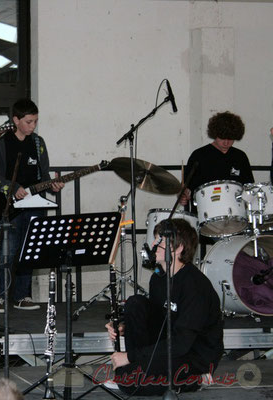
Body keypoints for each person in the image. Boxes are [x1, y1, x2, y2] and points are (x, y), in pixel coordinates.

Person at [104, 218, 223, 396]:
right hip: (170, 345)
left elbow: (182, 343)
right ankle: (134, 369)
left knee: (127, 380)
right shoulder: (158, 279)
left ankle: (196, 379)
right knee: (135, 303)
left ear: (178, 248)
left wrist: (129, 357)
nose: (153, 244)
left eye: (160, 241)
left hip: (194, 355)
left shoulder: (195, 286)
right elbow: (156, 319)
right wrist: (123, 325)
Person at [0, 98, 63, 313]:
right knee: (6, 252)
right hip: (8, 205)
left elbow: (43, 176)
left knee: (30, 251)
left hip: (35, 205)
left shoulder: (38, 143)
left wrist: (52, 186)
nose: (33, 126)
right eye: (28, 121)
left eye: (35, 121)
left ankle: (22, 296)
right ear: (15, 120)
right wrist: (10, 187)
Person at [180, 111, 254, 207]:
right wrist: (183, 196)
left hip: (235, 211)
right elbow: (185, 188)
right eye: (223, 138)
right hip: (204, 212)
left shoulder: (240, 156)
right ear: (215, 134)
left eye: (231, 139)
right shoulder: (199, 155)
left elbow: (248, 187)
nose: (226, 142)